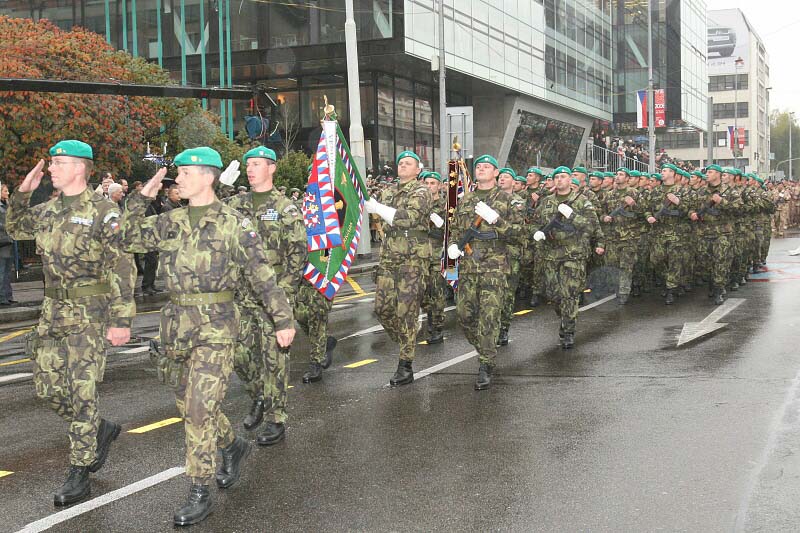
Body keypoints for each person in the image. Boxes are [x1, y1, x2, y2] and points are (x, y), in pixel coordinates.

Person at [122, 147, 295, 526]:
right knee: (189, 404)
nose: (178, 180)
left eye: (184, 173)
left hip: (217, 325)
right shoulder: (171, 220)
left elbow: (262, 274)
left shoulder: (234, 224)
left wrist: (283, 319)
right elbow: (126, 236)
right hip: (175, 327)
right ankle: (232, 446)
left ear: (207, 177)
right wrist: (143, 195)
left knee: (199, 408)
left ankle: (199, 488)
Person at [7, 140, 135, 506]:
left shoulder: (104, 212)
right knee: (48, 388)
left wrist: (121, 319)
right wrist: (22, 193)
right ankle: (98, 429)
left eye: (57, 163)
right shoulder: (48, 210)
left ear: (79, 167)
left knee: (82, 392)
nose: (50, 169)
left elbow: (123, 265)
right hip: (52, 312)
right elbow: (15, 227)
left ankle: (80, 468)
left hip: (88, 314)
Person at [226, 146, 307, 444]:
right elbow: (206, 213)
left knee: (274, 359)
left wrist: (282, 296)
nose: (250, 169)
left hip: (273, 294)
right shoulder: (235, 204)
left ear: (271, 168)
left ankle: (276, 418)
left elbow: (297, 254)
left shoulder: (286, 208)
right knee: (238, 354)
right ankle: (259, 394)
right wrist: (221, 185)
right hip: (242, 294)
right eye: (248, 164)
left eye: (256, 164)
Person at [447, 155, 517, 389]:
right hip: (469, 267)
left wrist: (497, 220)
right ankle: (486, 349)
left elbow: (519, 234)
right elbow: (457, 229)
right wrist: (454, 246)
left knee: (489, 316)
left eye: (487, 167)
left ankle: (486, 363)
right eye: (478, 166)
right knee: (464, 315)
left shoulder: (507, 200)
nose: (481, 169)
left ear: (496, 173)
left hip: (494, 268)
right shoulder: (467, 200)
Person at [366, 150, 432, 386]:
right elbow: (381, 219)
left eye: (408, 163)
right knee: (382, 309)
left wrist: (378, 208)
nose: (402, 165)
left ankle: (405, 364)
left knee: (406, 312)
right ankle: (408, 337)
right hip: (389, 256)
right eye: (400, 162)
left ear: (418, 169)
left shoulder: (422, 191)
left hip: (412, 259)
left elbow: (409, 218)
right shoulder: (388, 191)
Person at [533, 166, 603, 349]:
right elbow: (535, 223)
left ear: (570, 180)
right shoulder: (546, 202)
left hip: (574, 255)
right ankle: (564, 317)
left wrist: (572, 216)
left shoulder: (582, 201)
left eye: (563, 176)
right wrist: (538, 233)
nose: (559, 180)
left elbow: (591, 227)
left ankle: (568, 330)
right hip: (550, 255)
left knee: (569, 294)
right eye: (556, 177)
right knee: (553, 294)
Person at [420, 171, 447, 345]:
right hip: (420, 255)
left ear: (439, 186)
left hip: (437, 256)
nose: (429, 186)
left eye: (433, 183)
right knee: (422, 294)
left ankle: (436, 329)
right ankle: (430, 321)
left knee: (437, 293)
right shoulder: (418, 204)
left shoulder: (445, 206)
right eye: (427, 183)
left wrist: (442, 224)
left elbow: (452, 230)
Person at [0, 183, 16, 306]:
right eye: (5, 191)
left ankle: (8, 295)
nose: (8, 193)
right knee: (2, 271)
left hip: (9, 241)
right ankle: (2, 297)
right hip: (2, 242)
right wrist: (9, 226)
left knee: (7, 271)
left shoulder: (7, 205)